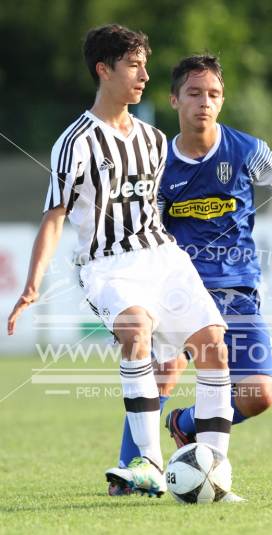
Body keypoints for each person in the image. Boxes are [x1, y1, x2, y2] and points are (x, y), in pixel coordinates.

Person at [7, 32, 237, 499]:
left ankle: (216, 472)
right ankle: (149, 463)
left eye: (145, 64)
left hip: (162, 256)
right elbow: (55, 217)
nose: (145, 75)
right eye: (134, 65)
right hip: (107, 265)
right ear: (104, 69)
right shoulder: (75, 142)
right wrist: (32, 285)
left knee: (214, 345)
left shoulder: (154, 139)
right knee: (136, 328)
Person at [112, 54, 272, 487]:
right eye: (193, 93)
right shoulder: (157, 165)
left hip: (238, 289)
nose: (203, 103)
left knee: (260, 395)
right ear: (174, 100)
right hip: (179, 289)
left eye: (212, 94)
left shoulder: (245, 150)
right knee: (165, 369)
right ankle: (132, 472)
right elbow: (147, 230)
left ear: (222, 101)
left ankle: (187, 424)